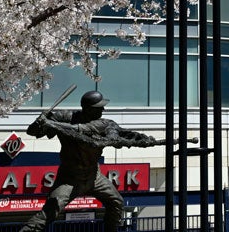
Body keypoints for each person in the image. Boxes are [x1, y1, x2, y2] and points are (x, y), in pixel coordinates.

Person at [20, 90, 164, 232]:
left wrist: (146, 139)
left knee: (116, 202)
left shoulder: (105, 124)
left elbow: (119, 133)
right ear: (87, 108)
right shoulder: (64, 117)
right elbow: (32, 132)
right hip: (69, 178)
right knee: (50, 212)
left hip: (94, 177)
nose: (103, 109)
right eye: (98, 107)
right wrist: (40, 121)